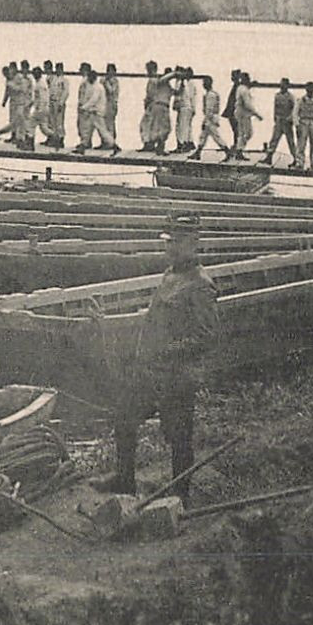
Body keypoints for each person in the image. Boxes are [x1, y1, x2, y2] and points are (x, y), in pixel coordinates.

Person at [92, 214, 219, 502]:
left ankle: (180, 497)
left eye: (178, 242)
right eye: (169, 241)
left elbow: (207, 337)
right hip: (151, 372)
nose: (171, 248)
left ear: (194, 243)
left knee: (178, 436)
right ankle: (125, 480)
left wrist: (167, 352)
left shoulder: (200, 285)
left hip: (178, 375)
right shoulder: (170, 275)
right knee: (124, 417)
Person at [260, 78, 300, 168]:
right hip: (279, 121)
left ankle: (296, 159)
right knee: (274, 139)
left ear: (287, 86)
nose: (282, 86)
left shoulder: (290, 97)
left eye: (284, 85)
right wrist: (275, 117)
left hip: (287, 122)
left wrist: (290, 119)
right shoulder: (277, 95)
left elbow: (294, 110)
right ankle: (269, 157)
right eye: (281, 84)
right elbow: (275, 107)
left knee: (291, 141)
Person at [190, 75, 232, 160]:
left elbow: (209, 110)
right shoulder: (211, 94)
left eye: (205, 83)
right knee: (203, 136)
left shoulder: (210, 95)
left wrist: (205, 121)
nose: (204, 84)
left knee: (216, 137)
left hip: (210, 119)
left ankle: (227, 151)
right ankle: (198, 153)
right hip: (211, 118)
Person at [74, 67, 111, 152]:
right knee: (87, 129)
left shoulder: (98, 87)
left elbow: (93, 100)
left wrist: (84, 108)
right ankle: (84, 144)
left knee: (102, 130)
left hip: (97, 112)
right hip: (92, 111)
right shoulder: (91, 86)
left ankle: (111, 144)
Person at [229, 72, 262, 159]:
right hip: (244, 114)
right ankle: (239, 150)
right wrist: (257, 114)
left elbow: (245, 89)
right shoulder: (244, 90)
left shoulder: (240, 88)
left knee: (241, 133)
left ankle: (239, 150)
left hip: (239, 113)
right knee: (248, 133)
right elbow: (247, 104)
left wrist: (251, 85)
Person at [296, 83, 313, 169]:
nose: (310, 91)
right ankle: (300, 162)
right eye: (308, 89)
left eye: (312, 89)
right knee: (301, 144)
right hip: (303, 122)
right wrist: (297, 125)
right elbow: (295, 113)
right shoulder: (301, 100)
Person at [174, 68, 199, 152]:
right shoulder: (187, 83)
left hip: (185, 106)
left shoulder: (186, 83)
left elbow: (185, 96)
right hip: (186, 106)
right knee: (186, 126)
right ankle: (189, 142)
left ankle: (182, 144)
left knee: (182, 126)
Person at [47, 62, 69, 148]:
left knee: (59, 122)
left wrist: (61, 102)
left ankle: (60, 139)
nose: (58, 70)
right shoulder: (53, 79)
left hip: (59, 102)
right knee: (52, 121)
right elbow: (50, 90)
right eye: (57, 69)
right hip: (52, 101)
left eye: (59, 69)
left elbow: (66, 92)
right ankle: (53, 138)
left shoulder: (64, 80)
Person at [103, 63, 122, 150]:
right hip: (105, 103)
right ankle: (105, 142)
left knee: (110, 123)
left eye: (111, 70)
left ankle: (111, 142)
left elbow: (111, 91)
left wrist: (106, 82)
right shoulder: (104, 80)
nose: (109, 72)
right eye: (108, 70)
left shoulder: (114, 81)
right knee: (104, 124)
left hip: (111, 103)